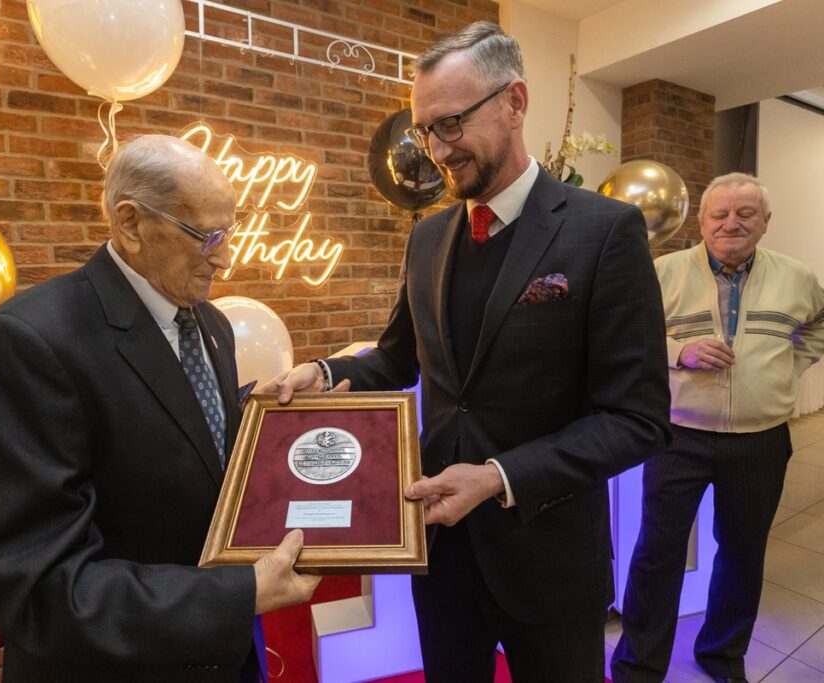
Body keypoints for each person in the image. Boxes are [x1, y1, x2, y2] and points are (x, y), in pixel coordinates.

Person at [266, 20, 671, 683]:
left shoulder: (605, 231)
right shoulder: (428, 239)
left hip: (550, 564)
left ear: (514, 102)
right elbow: (395, 359)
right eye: (426, 129)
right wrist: (322, 371)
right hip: (442, 558)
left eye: (450, 124)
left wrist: (499, 476)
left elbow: (639, 419)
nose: (435, 149)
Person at [0, 135, 320, 682]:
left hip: (223, 656)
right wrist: (237, 593)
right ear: (129, 224)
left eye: (231, 231)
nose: (225, 255)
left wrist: (258, 425)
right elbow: (38, 588)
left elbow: (178, 445)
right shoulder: (28, 342)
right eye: (206, 236)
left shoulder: (210, 324)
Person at [611, 173, 824, 683]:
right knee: (656, 555)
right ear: (701, 222)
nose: (732, 223)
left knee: (742, 553)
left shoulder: (797, 277)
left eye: (745, 213)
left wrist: (786, 369)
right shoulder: (663, 271)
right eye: (719, 214)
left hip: (762, 439)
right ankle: (640, 664)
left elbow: (819, 324)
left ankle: (723, 656)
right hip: (678, 435)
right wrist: (678, 352)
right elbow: (626, 336)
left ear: (765, 222)